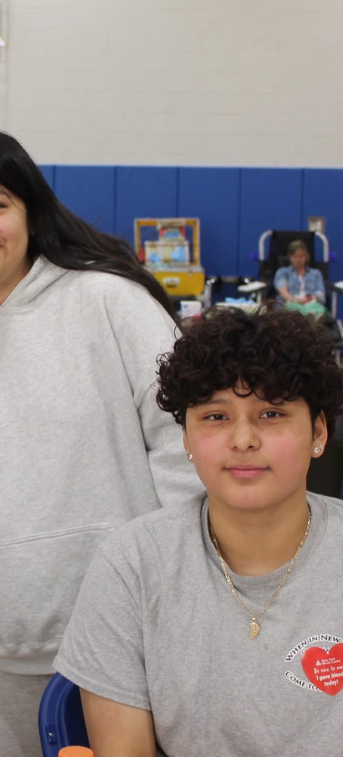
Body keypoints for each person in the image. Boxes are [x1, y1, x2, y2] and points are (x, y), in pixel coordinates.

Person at [0, 130, 202, 757]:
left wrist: (174, 587)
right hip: (5, 633)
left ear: (29, 210)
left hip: (134, 628)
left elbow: (185, 447)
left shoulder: (109, 301)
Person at [54, 308, 343, 757]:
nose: (243, 439)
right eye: (215, 417)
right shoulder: (131, 566)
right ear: (186, 439)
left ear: (318, 432)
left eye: (271, 413)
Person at [274, 239, 326, 315]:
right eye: (295, 256)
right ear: (290, 257)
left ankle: (310, 316)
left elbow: (321, 293)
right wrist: (294, 300)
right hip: (291, 303)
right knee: (291, 308)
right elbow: (282, 290)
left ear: (306, 256)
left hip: (310, 303)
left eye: (301, 256)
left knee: (320, 309)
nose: (298, 259)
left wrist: (309, 299)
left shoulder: (316, 273)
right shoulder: (282, 272)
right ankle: (307, 318)